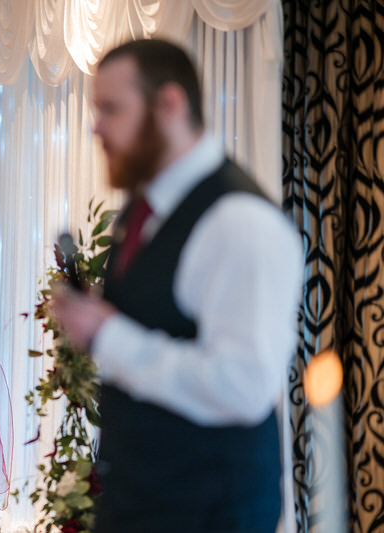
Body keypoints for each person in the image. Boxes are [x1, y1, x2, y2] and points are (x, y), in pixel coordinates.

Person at [51, 39, 302, 532]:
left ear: (170, 104)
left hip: (209, 513)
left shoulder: (240, 222)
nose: (96, 127)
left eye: (111, 109)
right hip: (138, 500)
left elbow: (244, 386)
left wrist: (108, 337)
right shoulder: (144, 207)